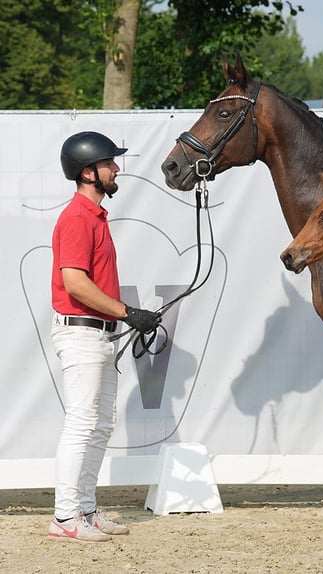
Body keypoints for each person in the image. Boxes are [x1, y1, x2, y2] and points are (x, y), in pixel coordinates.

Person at [48, 131, 161, 542]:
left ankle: (86, 510)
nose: (117, 169)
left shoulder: (94, 217)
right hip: (82, 334)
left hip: (100, 335)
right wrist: (128, 312)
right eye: (110, 163)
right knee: (82, 423)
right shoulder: (77, 217)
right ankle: (64, 518)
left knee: (99, 425)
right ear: (88, 171)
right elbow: (75, 283)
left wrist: (121, 318)